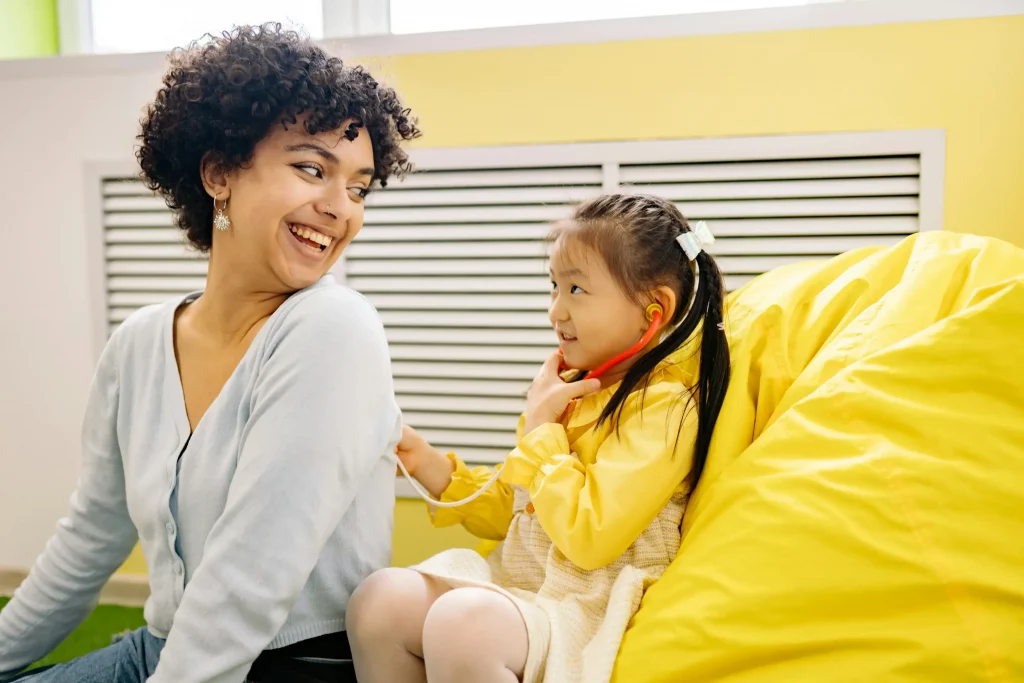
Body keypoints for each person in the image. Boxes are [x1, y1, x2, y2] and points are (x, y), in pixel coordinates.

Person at [0, 23, 419, 683]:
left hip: (284, 668)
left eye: (360, 186)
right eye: (312, 168)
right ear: (219, 173)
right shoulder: (140, 343)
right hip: (160, 650)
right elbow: (86, 542)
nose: (341, 208)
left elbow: (246, 585)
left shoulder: (335, 330)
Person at [347, 193, 733, 683]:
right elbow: (519, 513)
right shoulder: (565, 394)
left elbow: (589, 537)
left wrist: (543, 432)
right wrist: (426, 462)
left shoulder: (663, 407)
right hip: (523, 587)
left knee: (462, 626)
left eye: (577, 290)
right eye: (554, 286)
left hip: (589, 602)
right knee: (377, 602)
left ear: (653, 310)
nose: (556, 311)